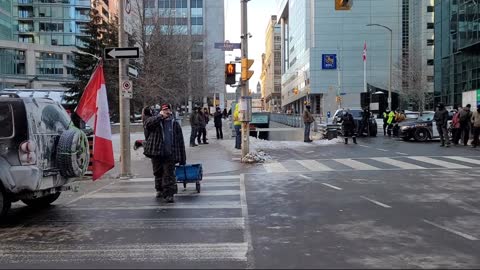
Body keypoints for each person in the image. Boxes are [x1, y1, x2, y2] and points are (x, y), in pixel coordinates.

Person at [143, 103, 186, 203]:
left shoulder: (174, 123)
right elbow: (147, 124)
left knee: (169, 174)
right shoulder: (156, 120)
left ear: (170, 111)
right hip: (156, 152)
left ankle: (169, 194)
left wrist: (182, 158)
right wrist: (160, 117)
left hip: (170, 153)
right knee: (157, 172)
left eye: (168, 110)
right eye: (164, 110)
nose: (166, 112)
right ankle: (159, 189)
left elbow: (180, 141)